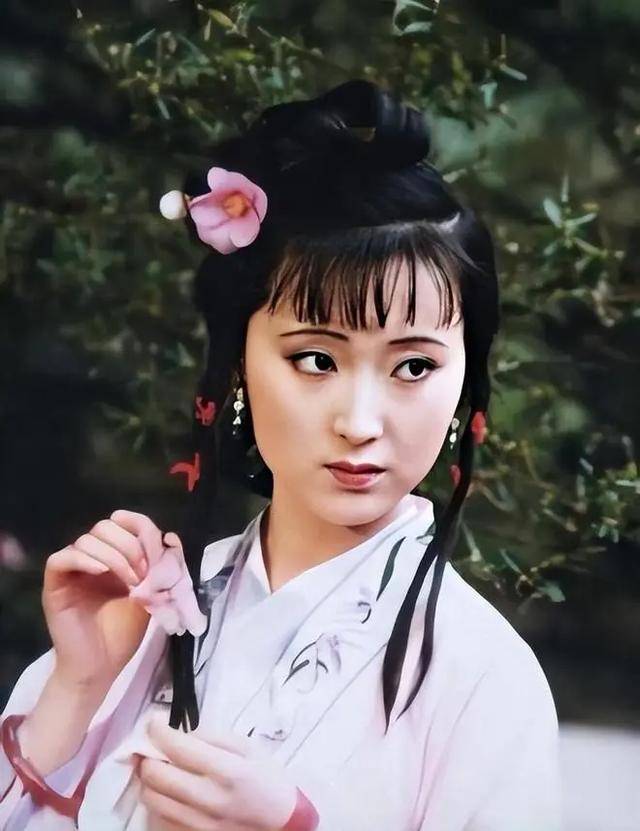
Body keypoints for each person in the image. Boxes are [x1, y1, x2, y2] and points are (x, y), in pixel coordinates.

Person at [0, 79, 563, 830]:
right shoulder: (145, 615)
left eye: (414, 366)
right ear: (239, 362)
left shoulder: (481, 672)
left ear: (465, 379)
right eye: (315, 360)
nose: (360, 422)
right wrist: (77, 685)